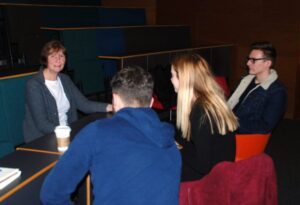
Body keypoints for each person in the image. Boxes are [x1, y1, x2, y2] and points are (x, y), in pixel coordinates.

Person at [40, 66, 181, 205]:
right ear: (151, 103)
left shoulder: (97, 133)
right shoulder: (171, 145)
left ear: (115, 100)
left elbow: (51, 194)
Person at [23, 40, 112, 143]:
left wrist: (111, 107)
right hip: (43, 139)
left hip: (67, 132)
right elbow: (42, 124)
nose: (58, 60)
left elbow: (84, 105)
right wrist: (67, 132)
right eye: (53, 56)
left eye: (61, 56)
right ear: (45, 60)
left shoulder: (65, 79)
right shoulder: (34, 85)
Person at [171, 53, 238, 182]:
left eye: (173, 75)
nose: (171, 79)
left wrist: (177, 147)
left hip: (211, 179)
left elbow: (203, 165)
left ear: (184, 79)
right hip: (221, 171)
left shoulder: (200, 111)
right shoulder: (208, 101)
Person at [228, 41, 287, 134]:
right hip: (229, 128)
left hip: (243, 137)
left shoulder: (277, 91)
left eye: (253, 60)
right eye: (248, 59)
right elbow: (234, 105)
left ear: (267, 63)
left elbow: (264, 127)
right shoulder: (246, 80)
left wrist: (231, 122)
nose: (248, 63)